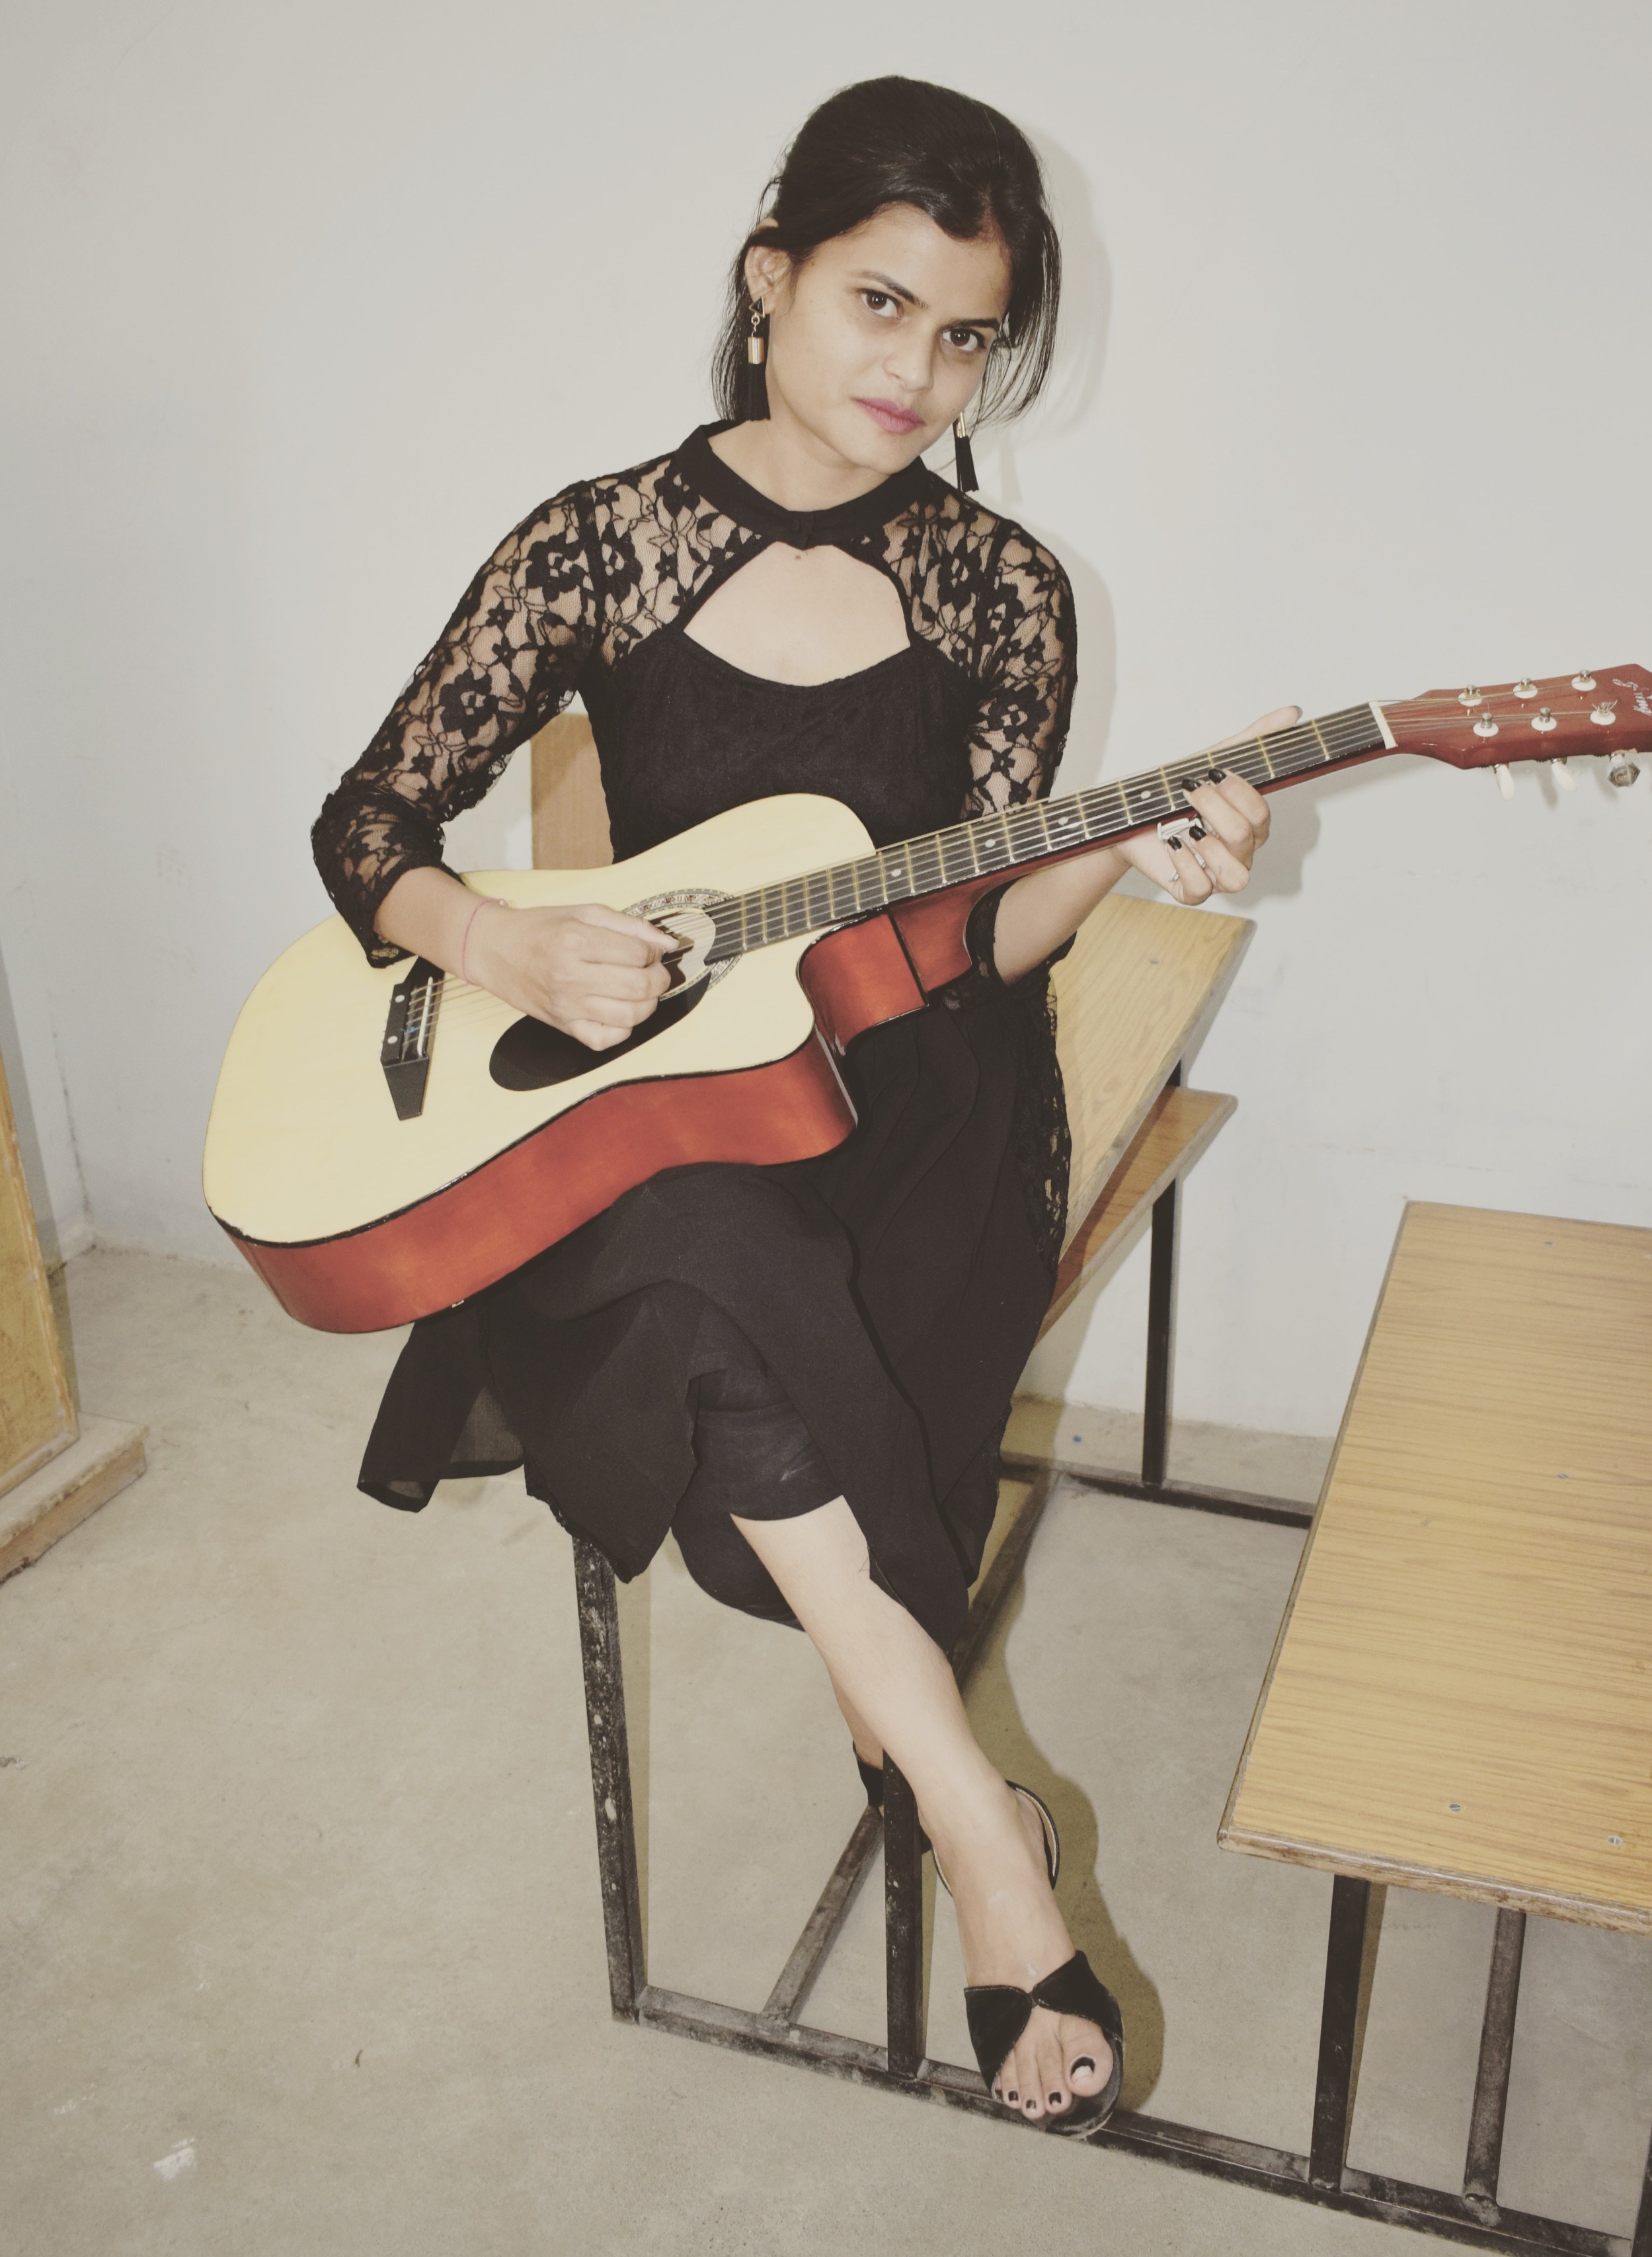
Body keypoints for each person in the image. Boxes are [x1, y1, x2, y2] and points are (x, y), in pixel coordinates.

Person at [313, 74, 1283, 2136]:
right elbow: (369, 826)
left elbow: (987, 934)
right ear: (769, 279)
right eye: (877, 303)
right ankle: (986, 1828)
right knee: (683, 1243)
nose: (916, 372)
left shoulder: (1001, 587)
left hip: (916, 1104)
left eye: (965, 337)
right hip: (656, 1099)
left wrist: (1132, 854)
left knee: (724, 1332)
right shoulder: (599, 545)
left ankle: (935, 1783)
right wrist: (504, 950)